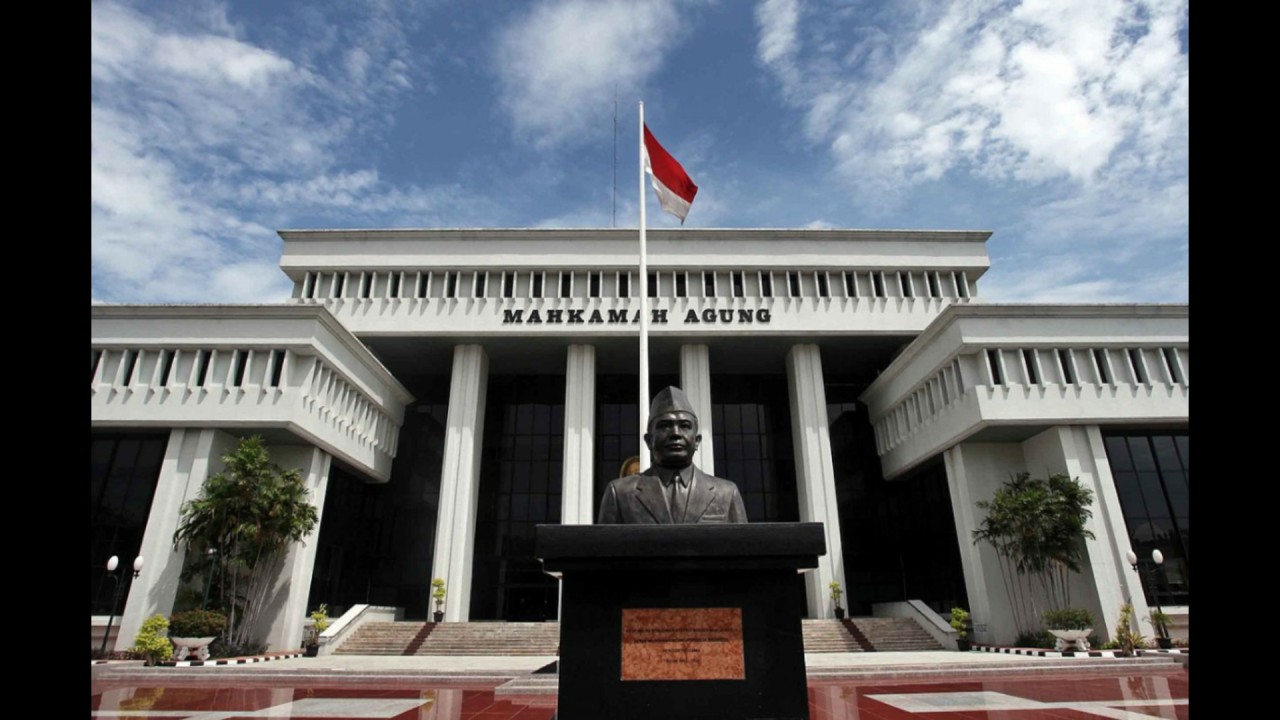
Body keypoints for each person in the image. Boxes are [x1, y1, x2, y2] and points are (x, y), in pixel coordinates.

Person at [598, 386, 748, 524]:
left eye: (684, 426)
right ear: (649, 440)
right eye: (664, 426)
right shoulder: (620, 493)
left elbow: (744, 548)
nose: (675, 433)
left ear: (697, 441)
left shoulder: (727, 494)